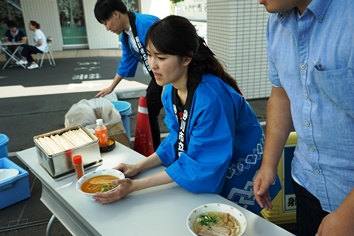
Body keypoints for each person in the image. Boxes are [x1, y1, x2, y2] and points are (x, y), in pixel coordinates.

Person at [94, 15, 281, 214]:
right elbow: (176, 138)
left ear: (186, 58)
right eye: (149, 55)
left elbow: (203, 163)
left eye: (162, 57)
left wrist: (135, 186)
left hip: (241, 173)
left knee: (236, 223)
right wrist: (137, 167)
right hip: (215, 169)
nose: (152, 65)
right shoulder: (169, 90)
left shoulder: (210, 99)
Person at [253, 0, 354, 235]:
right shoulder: (276, 24)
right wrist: (269, 165)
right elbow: (282, 96)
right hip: (306, 181)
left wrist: (348, 216)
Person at [94, 0, 163, 150]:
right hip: (159, 77)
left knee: (176, 113)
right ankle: (155, 151)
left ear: (116, 14)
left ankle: (180, 152)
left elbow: (167, 54)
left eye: (106, 22)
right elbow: (126, 61)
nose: (107, 28)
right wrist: (111, 87)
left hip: (174, 75)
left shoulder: (145, 24)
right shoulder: (125, 36)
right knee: (149, 108)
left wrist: (168, 86)